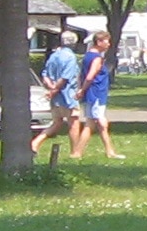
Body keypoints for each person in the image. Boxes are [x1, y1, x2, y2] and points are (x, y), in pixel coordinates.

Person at [72, 29, 124, 160]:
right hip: (96, 94)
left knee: (95, 123)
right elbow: (90, 76)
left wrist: (80, 89)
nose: (108, 44)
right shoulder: (97, 58)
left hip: (92, 93)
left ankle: (108, 151)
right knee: (97, 122)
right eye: (106, 41)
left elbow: (81, 75)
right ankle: (79, 152)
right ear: (99, 42)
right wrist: (82, 90)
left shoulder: (87, 56)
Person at [30, 30, 81, 154]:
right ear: (74, 43)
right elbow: (65, 77)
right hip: (68, 96)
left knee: (56, 123)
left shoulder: (54, 55)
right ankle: (75, 152)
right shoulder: (70, 57)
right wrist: (55, 90)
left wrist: (51, 88)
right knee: (74, 123)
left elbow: (45, 75)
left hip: (55, 99)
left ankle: (35, 143)